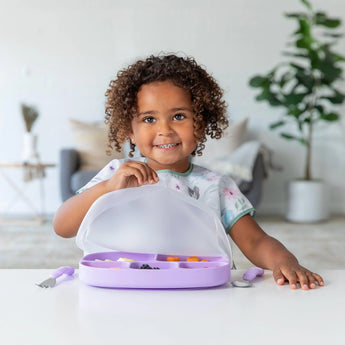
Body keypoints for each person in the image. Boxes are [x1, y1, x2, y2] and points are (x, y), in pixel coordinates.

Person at [54, 54, 324, 290]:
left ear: (201, 123)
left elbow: (255, 241)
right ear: (129, 131)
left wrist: (285, 261)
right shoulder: (116, 174)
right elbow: (62, 226)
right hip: (125, 290)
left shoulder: (216, 185)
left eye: (179, 116)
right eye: (149, 119)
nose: (165, 130)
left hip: (199, 293)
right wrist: (107, 188)